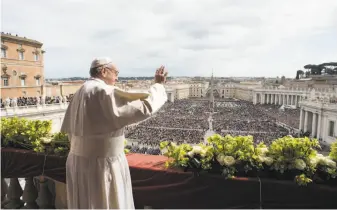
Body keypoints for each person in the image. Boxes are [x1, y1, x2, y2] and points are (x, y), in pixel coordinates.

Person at [61, 57, 168, 209]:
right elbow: (144, 108)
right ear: (104, 71)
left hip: (78, 162)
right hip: (103, 164)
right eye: (116, 72)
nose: (117, 78)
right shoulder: (102, 91)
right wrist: (158, 85)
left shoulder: (80, 91)